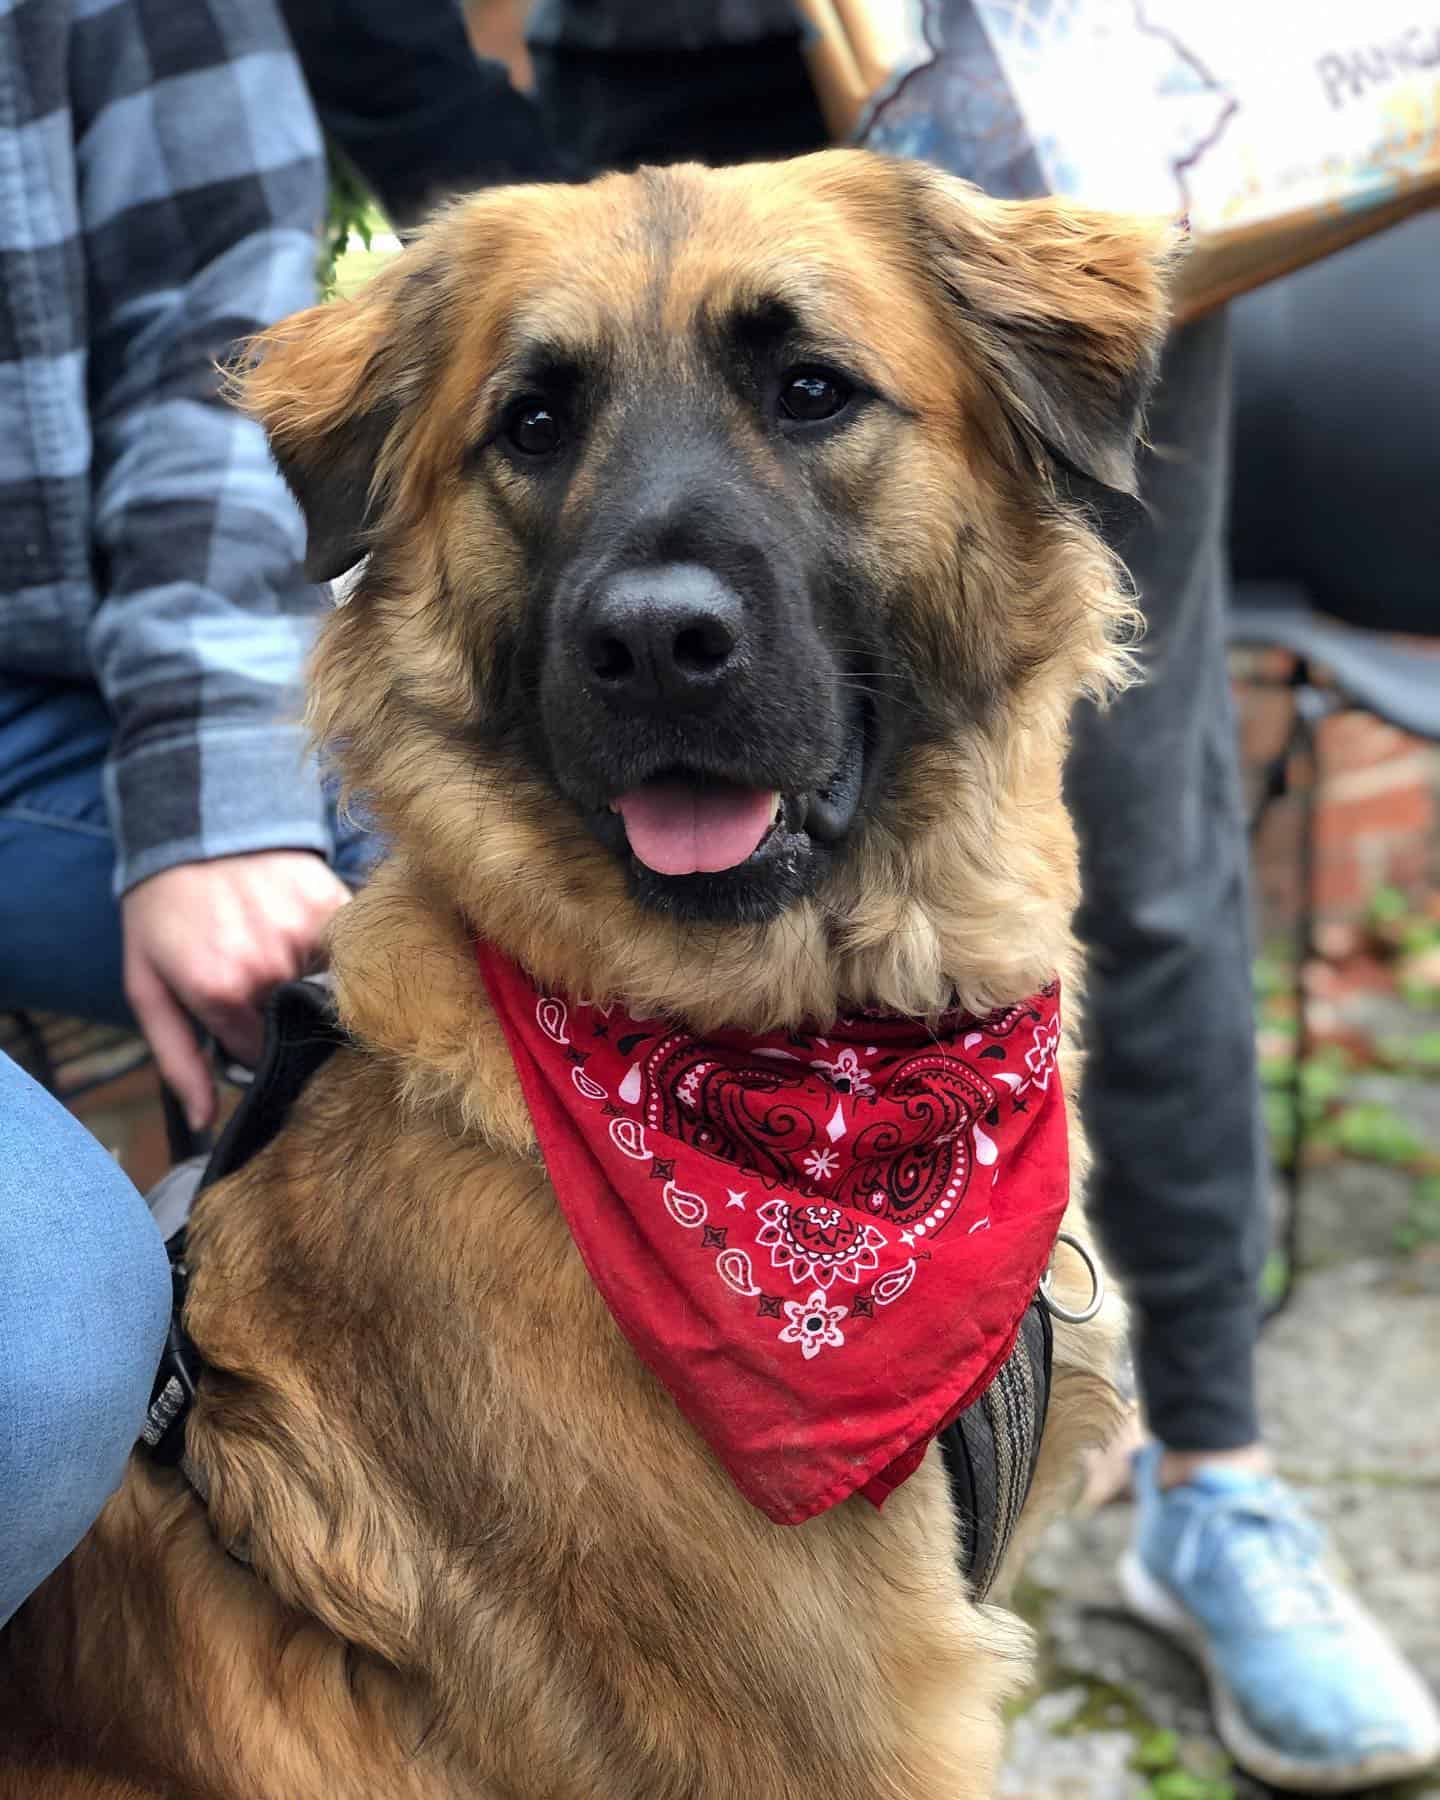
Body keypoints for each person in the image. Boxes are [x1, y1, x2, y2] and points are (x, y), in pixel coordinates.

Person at [288, 4, 1440, 1789]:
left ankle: (1213, 1479)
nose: (657, 596)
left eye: (809, 395)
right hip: (647, 68)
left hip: (1069, 77)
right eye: (541, 423)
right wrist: (447, 154)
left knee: (1143, 881)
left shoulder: (996, 322)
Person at [0, 0, 366, 1622]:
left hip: (44, 688)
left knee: (541, 876)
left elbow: (212, 329)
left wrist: (217, 789)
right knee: (36, 1365)